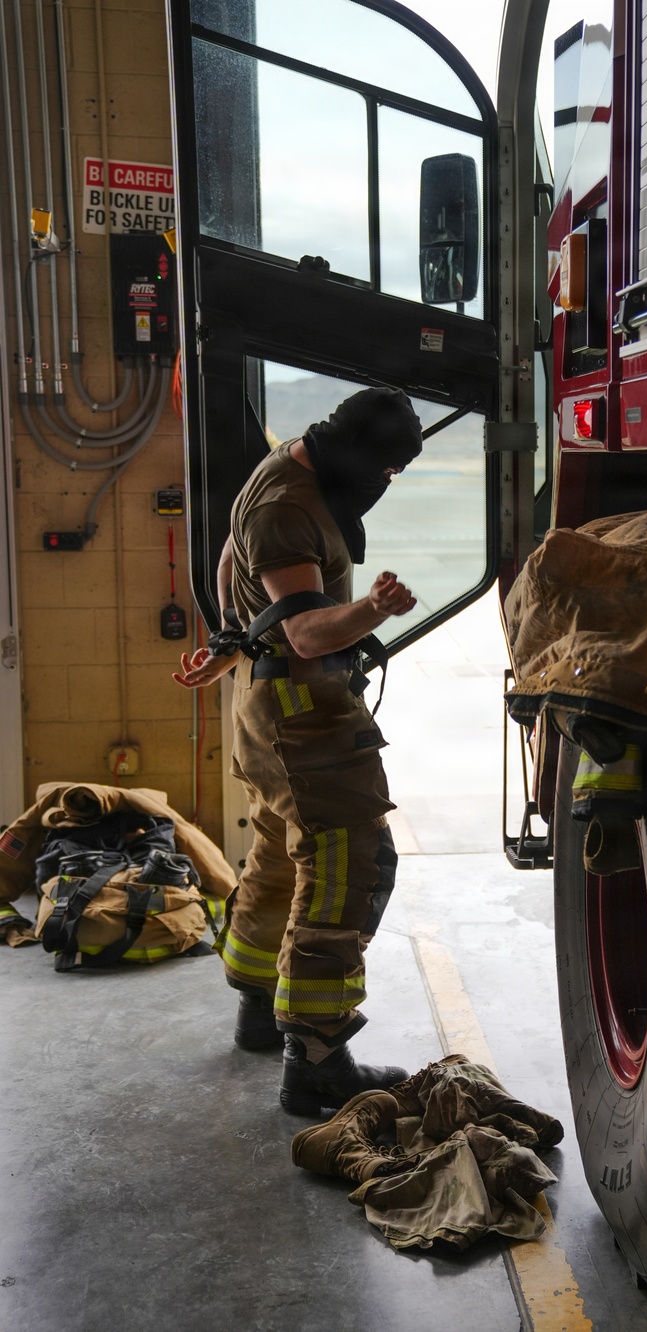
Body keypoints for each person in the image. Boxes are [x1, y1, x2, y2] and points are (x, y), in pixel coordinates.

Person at [174, 387, 422, 1116]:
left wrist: (230, 637)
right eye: (385, 470)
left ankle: (257, 1005)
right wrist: (373, 608)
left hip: (268, 704)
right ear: (357, 455)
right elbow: (308, 635)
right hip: (301, 714)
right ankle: (317, 1057)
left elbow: (231, 555)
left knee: (282, 857)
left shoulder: (287, 463)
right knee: (353, 864)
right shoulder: (288, 505)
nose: (385, 483)